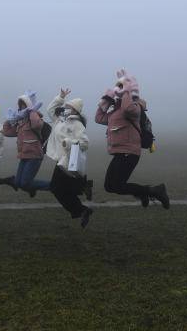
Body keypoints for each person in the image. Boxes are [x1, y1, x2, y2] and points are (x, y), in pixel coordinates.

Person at [95, 70, 170, 209]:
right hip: (119, 152)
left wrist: (126, 88)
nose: (119, 91)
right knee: (109, 186)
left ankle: (156, 191)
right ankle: (144, 193)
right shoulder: (115, 111)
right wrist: (107, 98)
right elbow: (99, 118)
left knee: (117, 185)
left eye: (121, 89)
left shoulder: (135, 107)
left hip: (129, 152)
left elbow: (128, 108)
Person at [46, 88, 94, 228]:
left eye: (68, 107)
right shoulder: (60, 121)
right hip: (61, 160)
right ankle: (83, 188)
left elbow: (85, 143)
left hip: (68, 161)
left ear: (75, 110)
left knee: (56, 188)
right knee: (63, 189)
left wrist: (68, 142)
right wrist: (60, 97)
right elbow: (50, 110)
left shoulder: (77, 124)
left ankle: (82, 208)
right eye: (65, 106)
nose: (65, 109)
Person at [2, 90, 50, 197]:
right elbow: (6, 132)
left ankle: (54, 186)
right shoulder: (20, 123)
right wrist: (10, 119)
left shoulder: (36, 118)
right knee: (18, 183)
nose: (22, 108)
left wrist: (32, 111)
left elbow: (36, 125)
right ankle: (32, 188)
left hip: (34, 155)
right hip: (24, 156)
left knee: (24, 183)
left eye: (24, 106)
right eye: (21, 106)